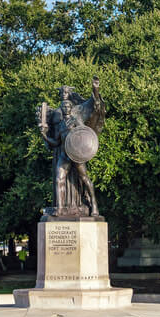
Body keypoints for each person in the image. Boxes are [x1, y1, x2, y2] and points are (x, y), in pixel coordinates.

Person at [37, 76, 104, 217]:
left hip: (77, 155)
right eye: (64, 106)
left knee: (85, 178)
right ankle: (60, 208)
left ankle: (95, 205)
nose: (66, 107)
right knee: (58, 178)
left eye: (68, 106)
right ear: (62, 108)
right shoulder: (60, 124)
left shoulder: (76, 119)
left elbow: (85, 133)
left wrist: (95, 89)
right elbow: (55, 142)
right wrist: (44, 135)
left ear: (71, 107)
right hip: (64, 155)